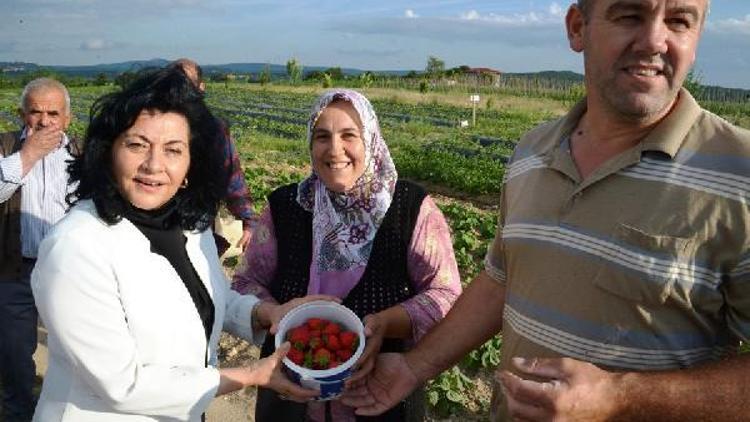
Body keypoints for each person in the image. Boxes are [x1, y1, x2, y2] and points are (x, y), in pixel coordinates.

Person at [343, 0, 750, 421]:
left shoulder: (740, 175)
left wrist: (623, 396)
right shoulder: (531, 152)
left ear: (697, 37)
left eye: (679, 20)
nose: (653, 41)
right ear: (577, 28)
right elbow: (502, 280)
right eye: (630, 15)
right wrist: (414, 365)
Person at [29, 67, 329, 421]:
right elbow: (122, 384)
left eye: (173, 150)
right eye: (137, 145)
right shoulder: (75, 246)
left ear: (191, 163)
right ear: (108, 152)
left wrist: (266, 313)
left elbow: (203, 296)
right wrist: (250, 375)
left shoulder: (188, 225)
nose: (154, 165)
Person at [232, 88, 462, 421]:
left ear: (371, 140)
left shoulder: (411, 209)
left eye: (349, 135)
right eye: (322, 136)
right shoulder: (286, 206)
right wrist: (274, 313)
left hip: (381, 396)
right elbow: (246, 281)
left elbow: (446, 294)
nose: (334, 149)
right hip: (290, 395)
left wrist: (387, 322)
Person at [0, 78, 75, 422]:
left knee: (74, 352)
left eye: (53, 113)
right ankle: (19, 413)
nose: (44, 121)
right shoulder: (5, 148)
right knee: (14, 357)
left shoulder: (83, 154)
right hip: (15, 271)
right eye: (35, 112)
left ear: (67, 118)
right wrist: (27, 155)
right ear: (21, 114)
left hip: (70, 274)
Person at [171, 58, 256, 254]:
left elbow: (231, 175)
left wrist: (248, 218)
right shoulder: (150, 123)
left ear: (201, 88)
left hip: (196, 214)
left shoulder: (213, 129)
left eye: (185, 82)